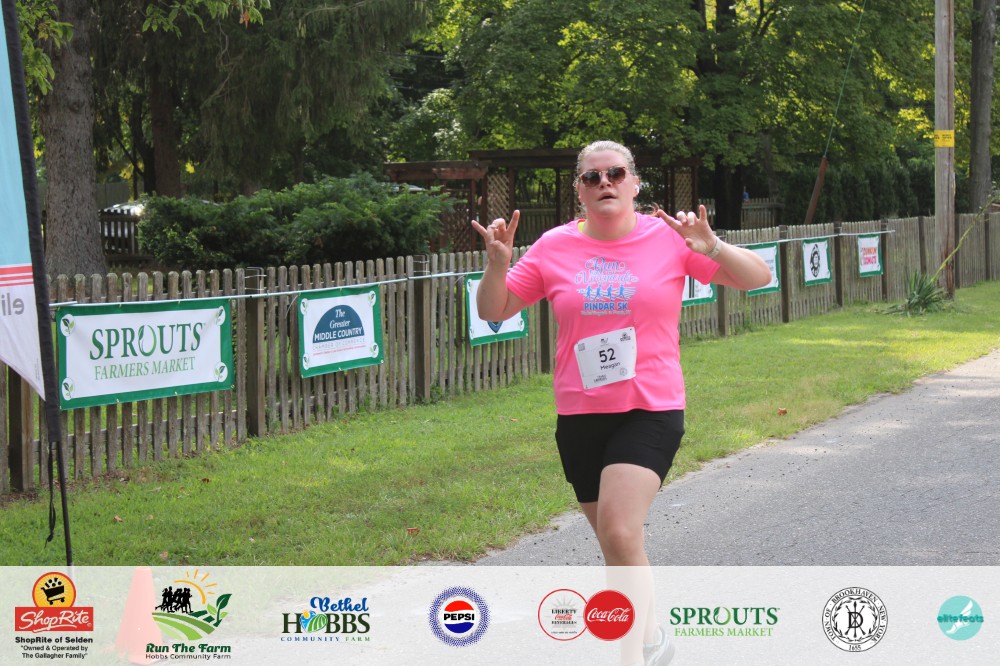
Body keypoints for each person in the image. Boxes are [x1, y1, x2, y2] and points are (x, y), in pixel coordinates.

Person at [472, 140, 771, 666]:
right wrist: (497, 265)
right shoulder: (554, 246)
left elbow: (758, 278)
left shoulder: (669, 238)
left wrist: (712, 247)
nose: (604, 183)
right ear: (579, 191)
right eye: (592, 177)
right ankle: (652, 637)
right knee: (618, 544)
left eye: (615, 174)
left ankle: (630, 654)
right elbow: (495, 309)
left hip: (650, 406)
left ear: (634, 183)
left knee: (618, 530)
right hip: (580, 414)